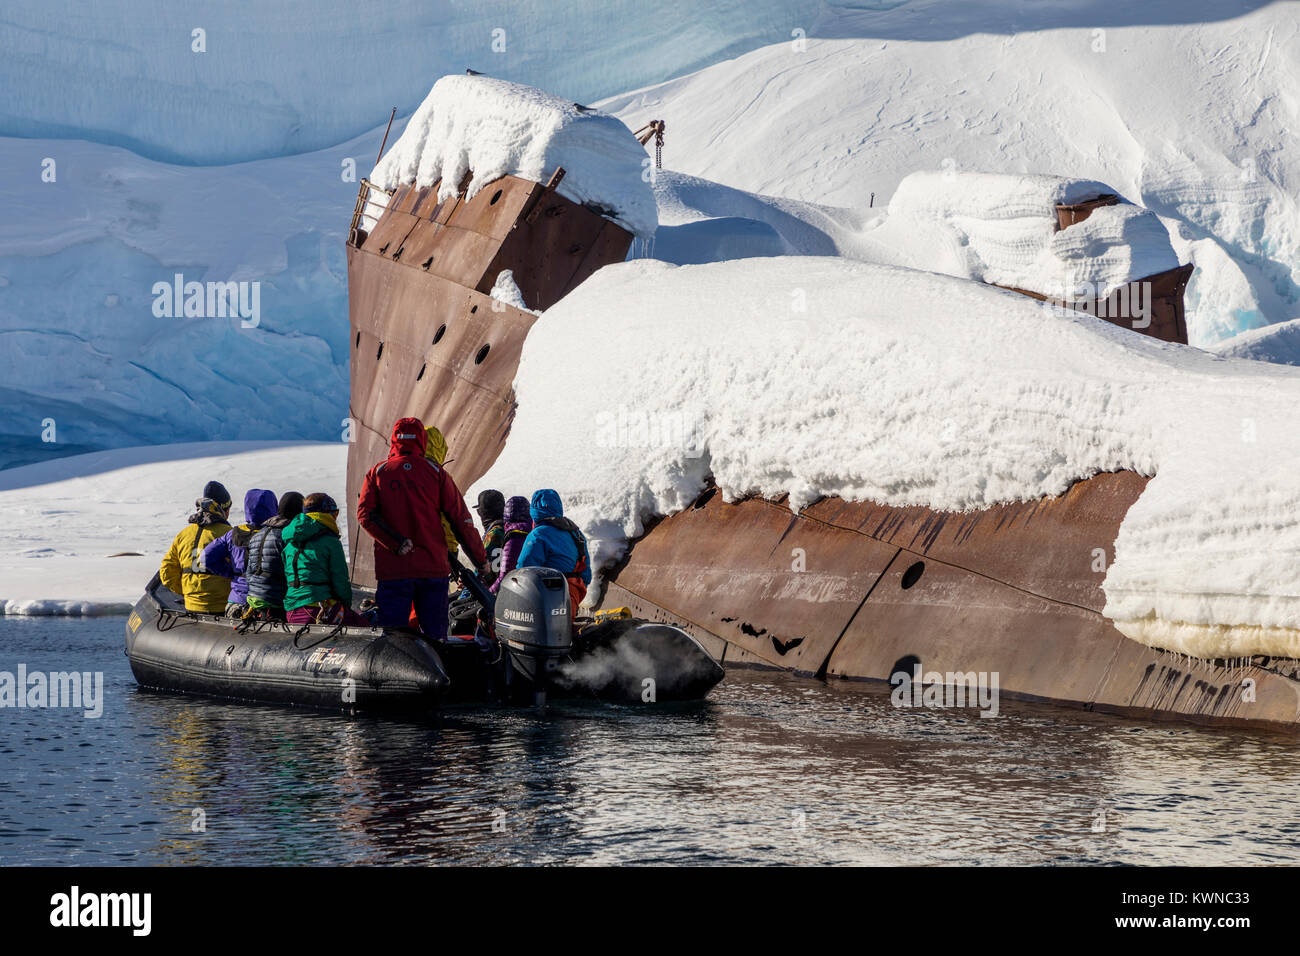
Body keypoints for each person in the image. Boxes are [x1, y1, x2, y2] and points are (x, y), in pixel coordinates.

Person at [357, 417, 489, 639]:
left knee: (394, 638)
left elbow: (365, 515)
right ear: (422, 439)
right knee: (436, 637)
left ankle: (394, 671)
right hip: (432, 571)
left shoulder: (377, 473)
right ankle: (438, 671)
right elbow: (461, 520)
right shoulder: (436, 473)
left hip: (394, 572)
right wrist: (480, 560)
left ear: (394, 440)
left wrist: (396, 543)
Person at [282, 493, 367, 625]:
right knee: (365, 626)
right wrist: (346, 608)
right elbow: (340, 581)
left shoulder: (289, 544)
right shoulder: (331, 542)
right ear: (325, 514)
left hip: (292, 612)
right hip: (320, 610)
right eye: (334, 514)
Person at [159, 481, 234, 614]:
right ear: (223, 509)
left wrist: (187, 592)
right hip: (221, 607)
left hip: (191, 606)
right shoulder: (230, 534)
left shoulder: (183, 535)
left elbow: (166, 572)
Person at [202, 488, 277, 618]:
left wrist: (231, 573)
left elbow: (206, 556)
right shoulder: (276, 535)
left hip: (237, 601)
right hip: (266, 603)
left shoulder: (233, 534)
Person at [516, 489, 591, 611]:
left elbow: (523, 571)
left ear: (535, 512)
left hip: (546, 604)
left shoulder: (538, 534)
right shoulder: (576, 534)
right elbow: (586, 575)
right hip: (571, 600)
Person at [244, 491, 304, 620]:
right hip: (276, 603)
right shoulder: (288, 536)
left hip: (254, 600)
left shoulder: (258, 534)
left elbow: (249, 572)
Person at [489, 495, 533, 594]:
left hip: (515, 594)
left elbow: (505, 576)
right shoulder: (534, 532)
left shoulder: (513, 538)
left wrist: (488, 593)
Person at [475, 489, 506, 575]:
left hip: (492, 586)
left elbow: (484, 569)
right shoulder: (510, 528)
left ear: (481, 512)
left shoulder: (493, 534)